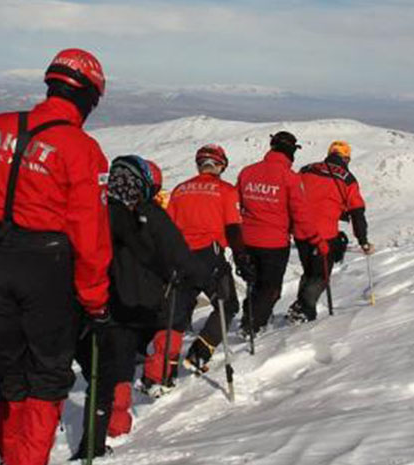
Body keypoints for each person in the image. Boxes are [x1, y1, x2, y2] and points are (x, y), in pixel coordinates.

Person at [0, 48, 111, 465]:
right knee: (47, 378)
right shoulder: (81, 148)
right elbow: (90, 235)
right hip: (48, 270)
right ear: (89, 97)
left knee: (11, 371)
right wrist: (95, 299)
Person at [72, 155, 208, 458]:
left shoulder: (97, 211)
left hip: (98, 304)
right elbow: (179, 256)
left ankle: (114, 425)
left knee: (113, 368)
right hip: (142, 303)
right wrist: (209, 280)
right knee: (163, 333)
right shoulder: (149, 215)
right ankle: (154, 381)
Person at [151, 144, 255, 385]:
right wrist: (242, 259)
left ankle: (162, 373)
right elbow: (233, 228)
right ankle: (200, 351)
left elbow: (168, 228)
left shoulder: (179, 190)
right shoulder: (226, 191)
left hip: (179, 257)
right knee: (227, 305)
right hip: (210, 256)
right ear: (220, 165)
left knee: (175, 317)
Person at [237, 131, 328, 336]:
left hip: (246, 239)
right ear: (291, 152)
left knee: (254, 282)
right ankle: (253, 326)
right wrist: (315, 239)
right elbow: (300, 214)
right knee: (271, 289)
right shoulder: (290, 178)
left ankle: (249, 316)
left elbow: (238, 204)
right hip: (274, 243)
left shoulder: (247, 172)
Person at [287, 140, 374, 323]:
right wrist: (363, 240)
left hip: (300, 230)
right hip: (324, 234)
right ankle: (302, 310)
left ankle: (301, 309)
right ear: (346, 158)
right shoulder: (347, 179)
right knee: (321, 275)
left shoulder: (307, 169)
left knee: (309, 271)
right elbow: (357, 212)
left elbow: (291, 192)